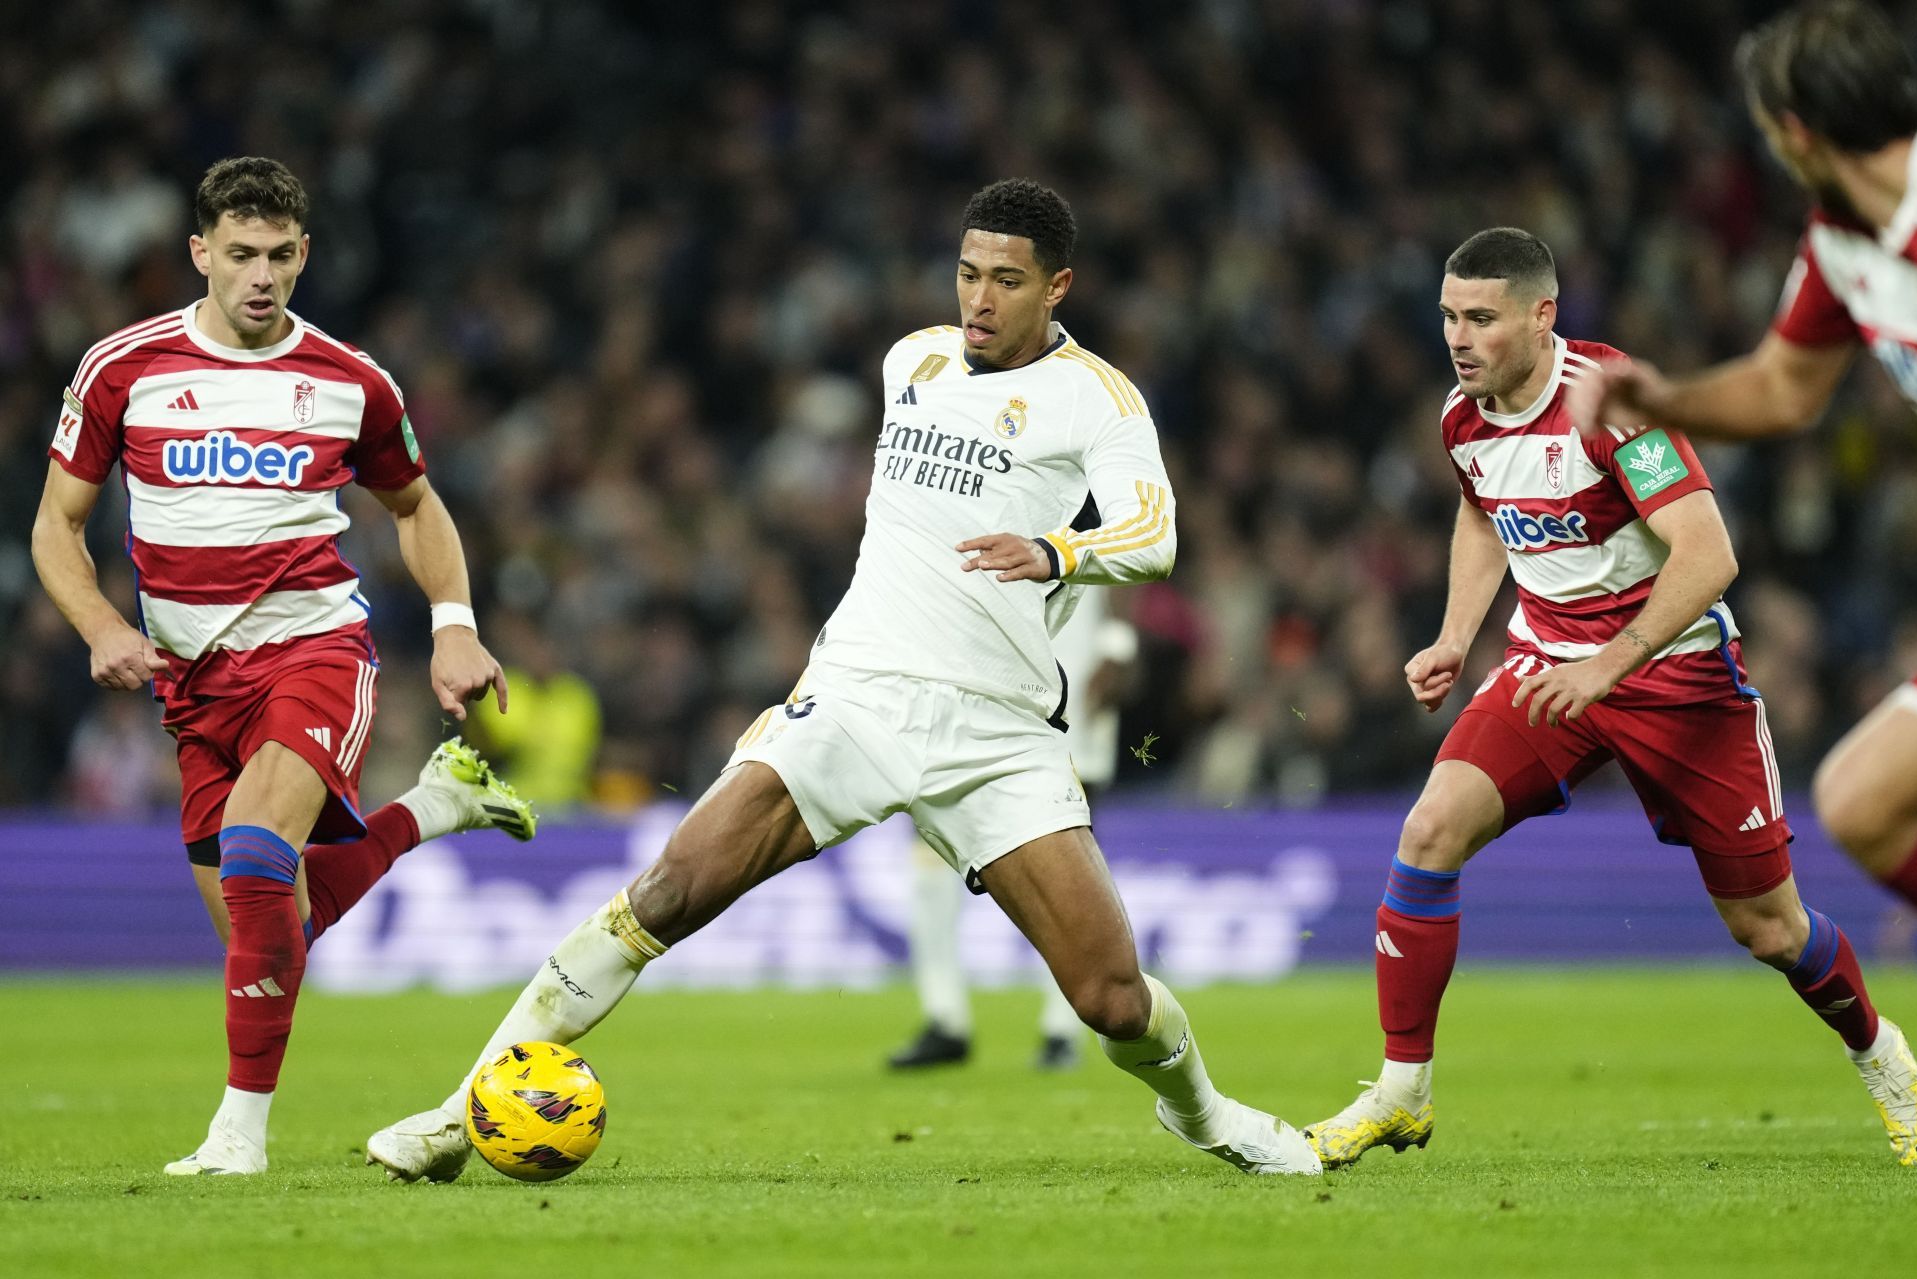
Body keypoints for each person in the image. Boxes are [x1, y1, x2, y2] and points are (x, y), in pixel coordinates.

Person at [366, 177, 1322, 1182]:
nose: (979, 298)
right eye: (967, 273)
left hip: (997, 728)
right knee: (665, 889)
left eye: (1007, 280)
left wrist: (1057, 552)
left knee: (1112, 1000)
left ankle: (1207, 1116)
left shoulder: (1099, 398)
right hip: (859, 694)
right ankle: (455, 1115)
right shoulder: (909, 361)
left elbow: (1156, 532)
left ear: (1060, 288)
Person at [1302, 228, 1915, 1169]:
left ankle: (1886, 1059)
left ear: (1542, 317)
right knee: (1428, 834)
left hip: (1676, 679)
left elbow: (1710, 555)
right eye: (1447, 319)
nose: (1458, 339)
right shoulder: (1462, 418)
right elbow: (1481, 509)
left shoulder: (1606, 404)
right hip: (1547, 664)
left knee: (1769, 927)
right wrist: (1457, 635)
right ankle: (1400, 1092)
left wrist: (1608, 664)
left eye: (1480, 319)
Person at [30, 157, 537, 1176]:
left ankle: (237, 1139)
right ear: (200, 254)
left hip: (313, 654)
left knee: (261, 860)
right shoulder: (123, 368)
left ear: (303, 254)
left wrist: (453, 623)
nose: (259, 276)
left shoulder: (350, 383)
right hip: (188, 685)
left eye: (278, 256)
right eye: (239, 255)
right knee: (278, 920)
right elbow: (57, 524)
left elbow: (416, 507)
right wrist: (97, 627)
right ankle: (432, 808)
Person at [1571, 1, 1917, 930]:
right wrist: (1660, 399)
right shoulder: (1845, 246)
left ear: (1795, 130)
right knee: (1862, 802)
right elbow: (1781, 388)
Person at [885, 586, 1138, 1072]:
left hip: (1069, 695)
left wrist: (1118, 647)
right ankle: (944, 1018)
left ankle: (1062, 1028)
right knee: (930, 855)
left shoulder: (1081, 509)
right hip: (972, 693)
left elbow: (1123, 564)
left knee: (1068, 867)